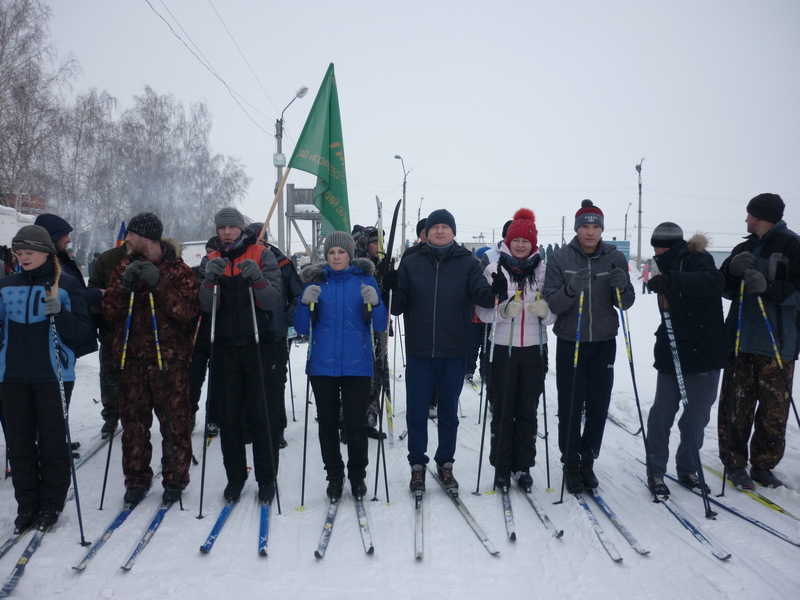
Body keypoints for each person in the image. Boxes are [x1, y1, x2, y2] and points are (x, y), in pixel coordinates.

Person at [384, 209, 498, 494]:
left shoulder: (469, 264)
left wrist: (497, 290)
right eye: (435, 227)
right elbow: (397, 307)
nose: (439, 231)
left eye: (445, 227)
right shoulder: (412, 263)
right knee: (417, 411)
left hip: (453, 350)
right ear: (427, 232)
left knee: (448, 413)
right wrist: (388, 284)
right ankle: (417, 466)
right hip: (419, 351)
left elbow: (481, 294)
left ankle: (445, 463)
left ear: (453, 232)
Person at [0, 225, 94, 531]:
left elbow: (84, 334)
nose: (23, 257)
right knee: (20, 444)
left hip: (54, 375)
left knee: (53, 442)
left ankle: (52, 503)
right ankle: (27, 505)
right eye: (19, 252)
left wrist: (61, 314)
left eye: (29, 252)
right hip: (11, 376)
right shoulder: (5, 285)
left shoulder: (64, 285)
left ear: (46, 252)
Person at [102, 212, 198, 506]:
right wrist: (122, 287)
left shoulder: (180, 271)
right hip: (131, 359)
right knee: (133, 425)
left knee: (174, 424)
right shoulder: (123, 267)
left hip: (168, 360)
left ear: (146, 238)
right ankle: (136, 480)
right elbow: (109, 312)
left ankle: (174, 479)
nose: (125, 240)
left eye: (130, 235)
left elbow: (188, 313)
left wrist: (160, 284)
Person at [543, 199, 634, 494]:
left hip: (604, 341)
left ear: (602, 229)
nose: (590, 232)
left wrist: (622, 286)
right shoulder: (560, 259)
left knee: (598, 405)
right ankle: (570, 462)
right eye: (585, 226)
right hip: (572, 340)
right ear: (577, 229)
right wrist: (571, 289)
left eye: (595, 227)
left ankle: (587, 460)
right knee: (570, 405)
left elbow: (626, 303)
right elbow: (551, 302)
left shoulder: (614, 258)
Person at [198, 208, 284, 504]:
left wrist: (258, 278)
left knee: (263, 416)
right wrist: (209, 281)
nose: (226, 233)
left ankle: (266, 478)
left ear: (241, 229)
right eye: (221, 228)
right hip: (224, 348)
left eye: (232, 227)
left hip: (259, 345)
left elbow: (273, 300)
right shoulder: (210, 260)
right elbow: (206, 307)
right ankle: (235, 477)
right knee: (230, 418)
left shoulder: (261, 253)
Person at [293, 232, 388, 498]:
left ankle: (358, 476)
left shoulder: (365, 280)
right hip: (322, 364)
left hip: (357, 364)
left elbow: (379, 325)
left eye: (341, 252)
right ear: (326, 256)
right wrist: (303, 302)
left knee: (356, 424)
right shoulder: (316, 282)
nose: (336, 257)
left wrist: (377, 302)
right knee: (327, 423)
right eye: (331, 253)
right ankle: (334, 475)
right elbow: (301, 327)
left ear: (350, 254)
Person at [717, 193, 800, 489]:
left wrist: (770, 287)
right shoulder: (743, 247)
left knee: (773, 412)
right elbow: (723, 287)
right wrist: (730, 269)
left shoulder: (792, 245)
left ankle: (764, 465)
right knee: (735, 407)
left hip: (777, 343)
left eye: (750, 214)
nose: (746, 219)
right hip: (740, 340)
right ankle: (734, 462)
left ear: (762, 216)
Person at [643, 223, 726, 498]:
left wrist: (673, 279)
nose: (659, 250)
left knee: (696, 418)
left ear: (677, 244)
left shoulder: (697, 258)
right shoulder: (659, 263)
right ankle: (655, 470)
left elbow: (713, 282)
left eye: (663, 246)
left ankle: (687, 468)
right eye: (656, 246)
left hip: (704, 353)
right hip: (672, 349)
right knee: (661, 415)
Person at [476, 209, 555, 489]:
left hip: (535, 350)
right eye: (516, 240)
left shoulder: (544, 271)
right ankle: (501, 466)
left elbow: (553, 316)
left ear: (533, 244)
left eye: (526, 240)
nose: (521, 245)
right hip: (501, 349)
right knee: (503, 410)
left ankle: (522, 466)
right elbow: (481, 314)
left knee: (527, 411)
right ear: (507, 242)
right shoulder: (492, 270)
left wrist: (544, 312)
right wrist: (502, 311)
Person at [88, 242, 129, 438]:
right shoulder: (108, 258)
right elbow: (93, 291)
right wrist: (101, 317)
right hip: (110, 331)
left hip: (142, 333)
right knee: (110, 377)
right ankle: (111, 416)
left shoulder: (154, 257)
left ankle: (136, 418)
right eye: (129, 234)